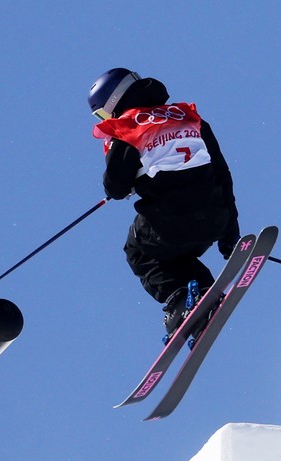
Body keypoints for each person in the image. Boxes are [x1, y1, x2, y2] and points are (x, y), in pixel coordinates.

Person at [88, 68, 240, 338]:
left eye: (101, 114)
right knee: (175, 256)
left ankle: (181, 301)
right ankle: (202, 293)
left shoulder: (126, 126)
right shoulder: (191, 118)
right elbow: (222, 174)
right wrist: (230, 233)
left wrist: (122, 184)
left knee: (139, 251)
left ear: (112, 102)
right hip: (213, 218)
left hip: (170, 221)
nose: (105, 119)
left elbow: (115, 186)